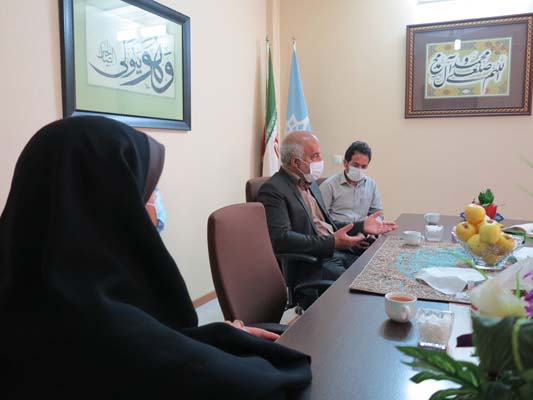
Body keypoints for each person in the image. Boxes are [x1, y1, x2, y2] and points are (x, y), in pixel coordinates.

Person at [0, 116, 311, 399]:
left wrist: (218, 335)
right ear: (109, 203)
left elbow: (156, 340)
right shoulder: (102, 332)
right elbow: (256, 381)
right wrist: (233, 346)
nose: (155, 203)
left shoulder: (36, 299)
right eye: (147, 191)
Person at [257, 131, 397, 308]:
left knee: (379, 272)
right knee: (360, 290)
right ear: (296, 162)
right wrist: (332, 242)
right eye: (315, 156)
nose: (321, 160)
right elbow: (280, 239)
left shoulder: (310, 183)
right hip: (313, 262)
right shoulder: (273, 190)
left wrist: (362, 226)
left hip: (335, 252)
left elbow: (327, 224)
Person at [320, 141, 383, 224]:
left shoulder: (371, 185)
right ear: (345, 163)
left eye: (364, 166)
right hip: (337, 229)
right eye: (355, 165)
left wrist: (377, 224)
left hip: (363, 229)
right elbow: (321, 218)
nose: (359, 169)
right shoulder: (329, 185)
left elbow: (377, 213)